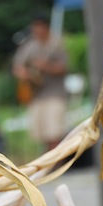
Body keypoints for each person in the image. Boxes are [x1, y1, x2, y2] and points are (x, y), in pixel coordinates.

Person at [12, 14, 69, 151]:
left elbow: (65, 68)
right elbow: (17, 67)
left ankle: (56, 165)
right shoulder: (29, 46)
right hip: (36, 95)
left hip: (54, 93)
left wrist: (46, 67)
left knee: (54, 132)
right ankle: (48, 164)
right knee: (42, 133)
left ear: (46, 27)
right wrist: (25, 74)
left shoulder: (57, 44)